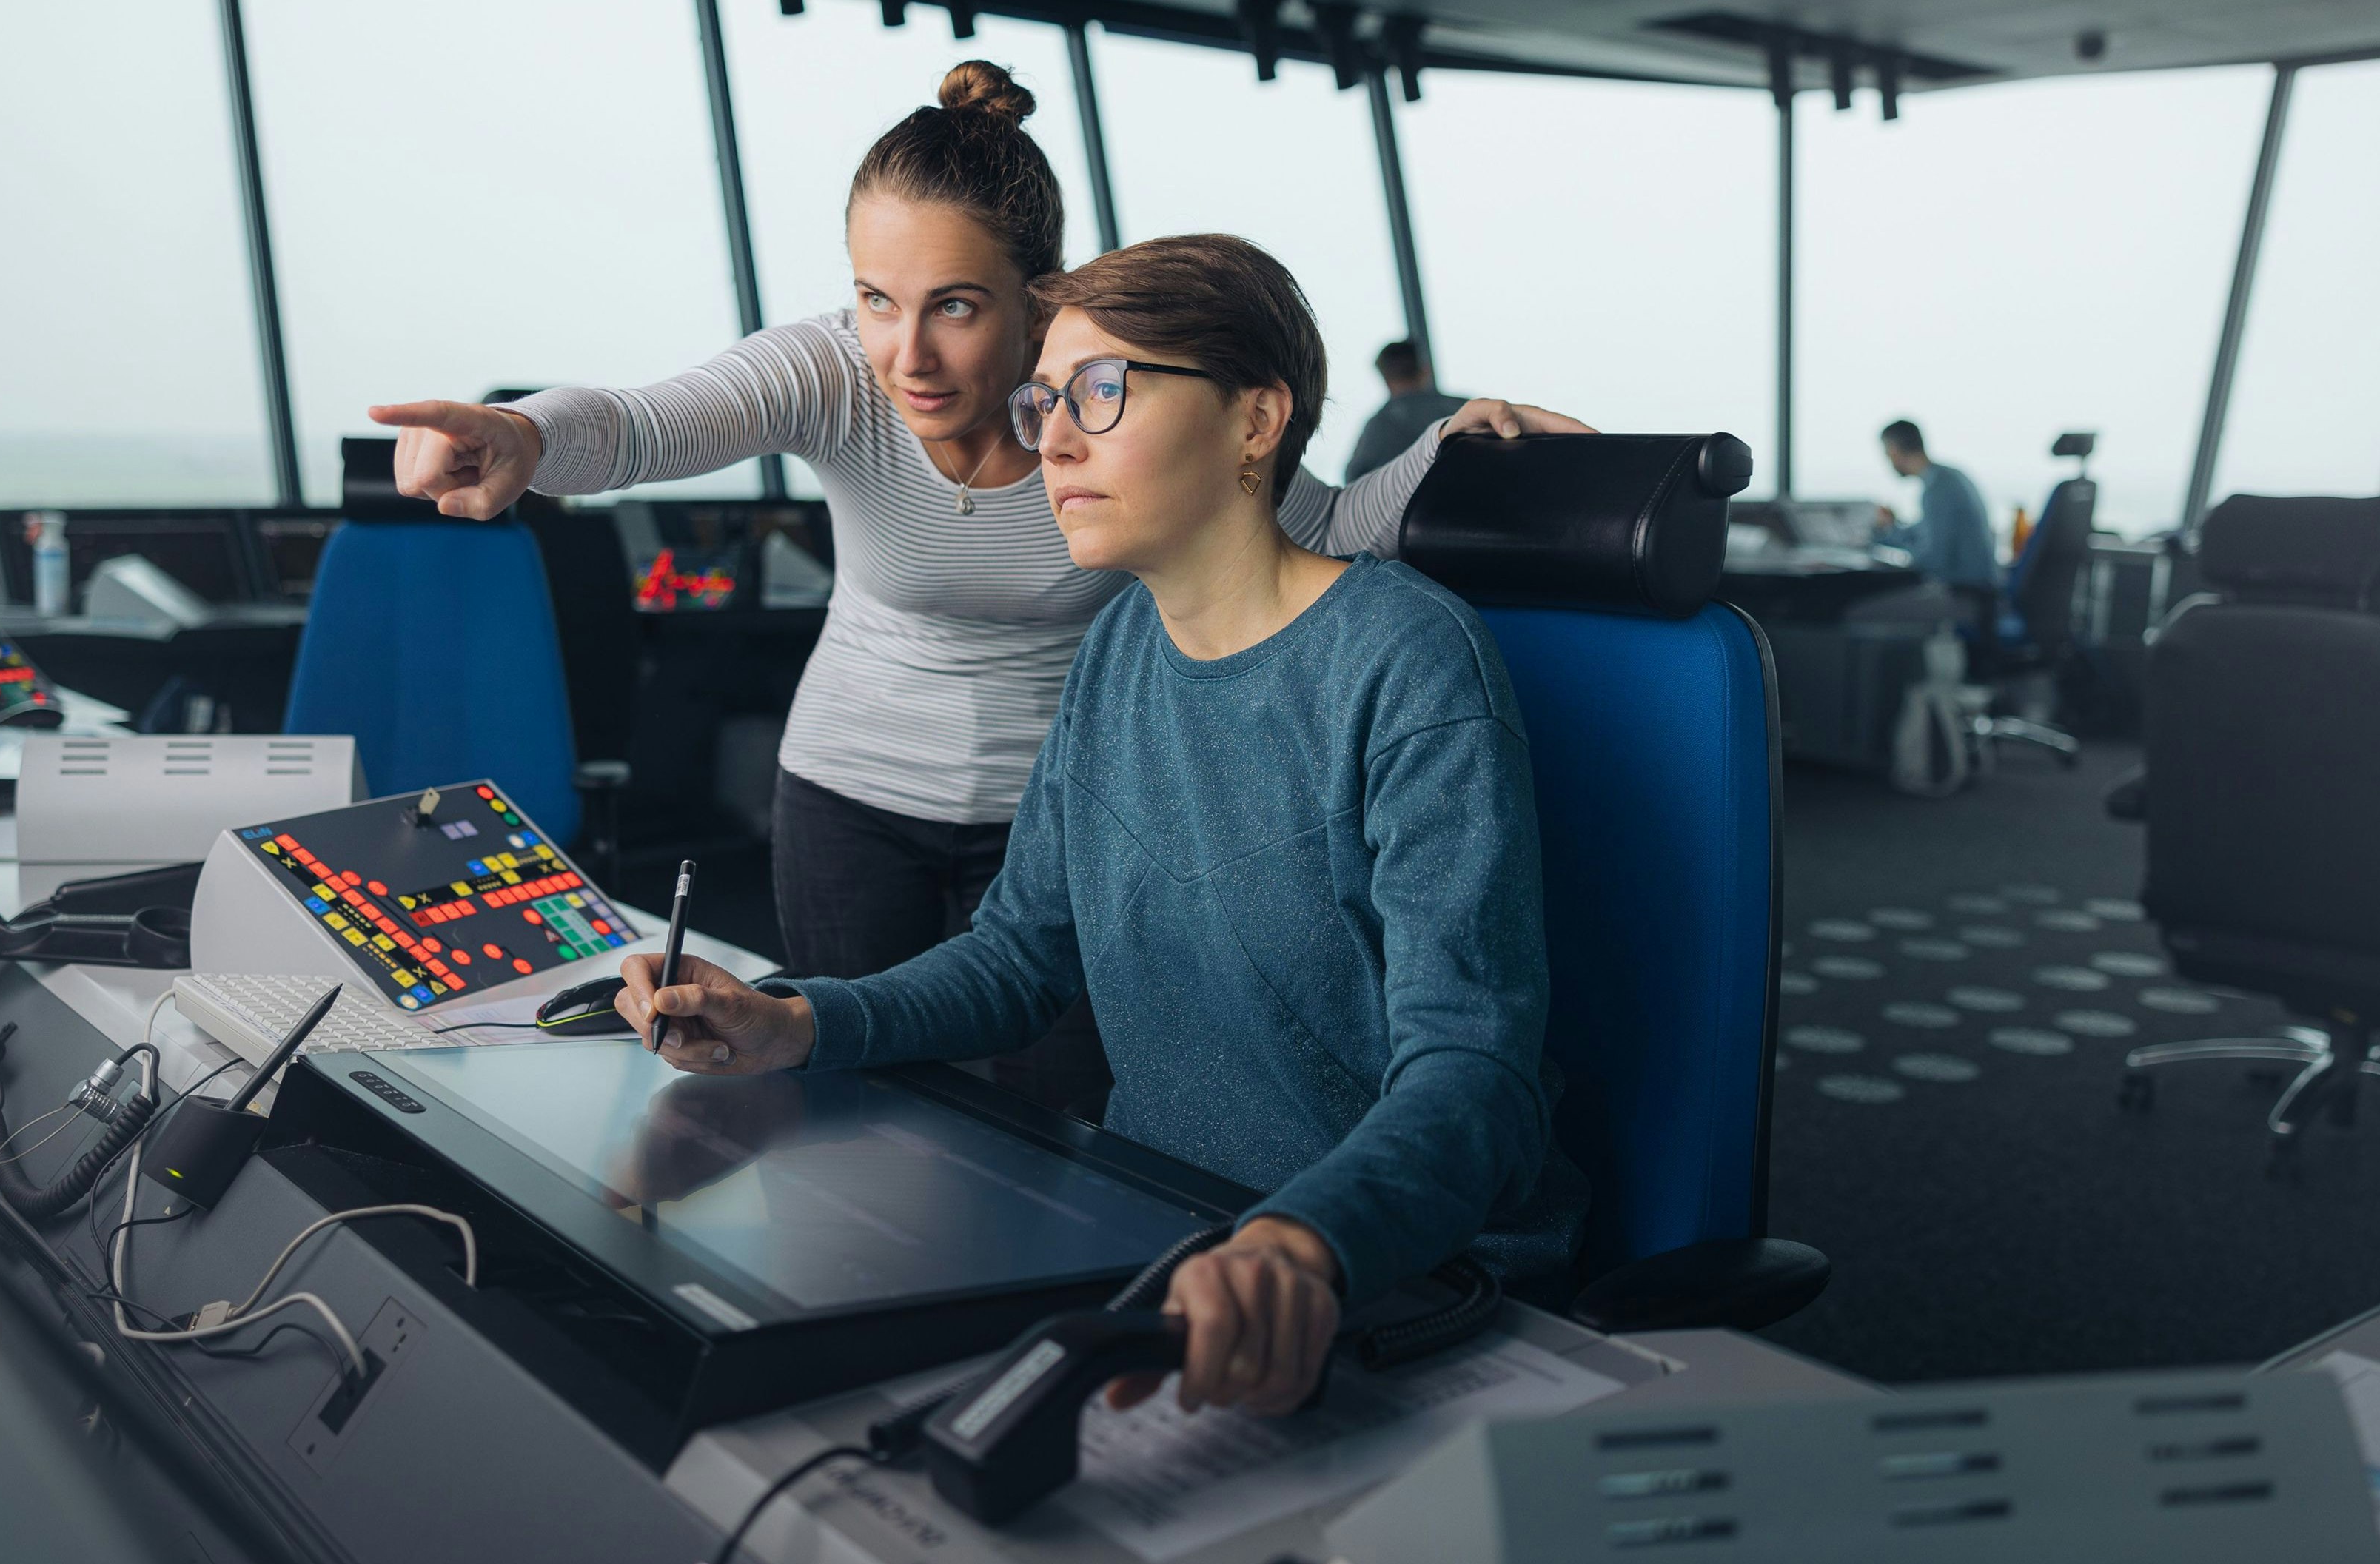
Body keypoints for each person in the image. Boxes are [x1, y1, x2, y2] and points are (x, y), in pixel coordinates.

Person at [369, 62, 1587, 1112]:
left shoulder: (1102, 401)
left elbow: (1308, 528)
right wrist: (521, 436)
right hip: (850, 793)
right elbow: (636, 426)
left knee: (1065, 1117)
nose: (908, 355)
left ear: (1036, 295)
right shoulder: (835, 373)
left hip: (1054, 817)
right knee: (857, 1102)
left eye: (954, 305)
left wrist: (1445, 457)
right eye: (875, 301)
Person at [605, 234, 1589, 1420]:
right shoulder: (1120, 644)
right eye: (1043, 399)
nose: (1053, 439)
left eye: (1103, 391)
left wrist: (1300, 1244)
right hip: (1159, 1233)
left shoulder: (1406, 661)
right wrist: (793, 1022)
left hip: (1380, 1279)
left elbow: (1473, 1073)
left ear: (1255, 421)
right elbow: (1022, 956)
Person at [1872, 419, 1999, 599]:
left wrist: (1893, 558)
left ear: (1893, 451)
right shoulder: (1947, 477)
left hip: (1967, 591)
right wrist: (1891, 530)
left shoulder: (1937, 489)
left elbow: (1932, 560)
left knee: (1871, 603)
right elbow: (1925, 532)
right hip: (1976, 586)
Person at [1344, 338, 1465, 480]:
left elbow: (1353, 481)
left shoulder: (1379, 426)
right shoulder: (1465, 409)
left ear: (1386, 379)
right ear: (1425, 371)